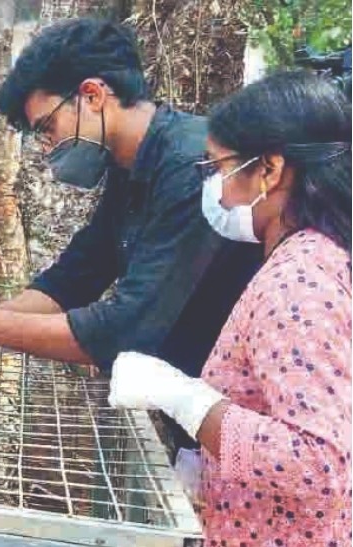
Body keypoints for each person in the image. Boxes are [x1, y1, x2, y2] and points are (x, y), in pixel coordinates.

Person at [0, 17, 263, 454]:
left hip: (247, 425)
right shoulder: (131, 166)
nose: (46, 148)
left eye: (46, 128)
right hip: (199, 419)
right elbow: (75, 275)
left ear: (92, 95)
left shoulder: (189, 167)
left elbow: (124, 329)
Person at [109, 71, 351, 545]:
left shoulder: (299, 281)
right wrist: (211, 464)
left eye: (220, 168)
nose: (217, 190)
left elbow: (319, 467)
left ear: (270, 170)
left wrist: (182, 399)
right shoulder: (320, 256)